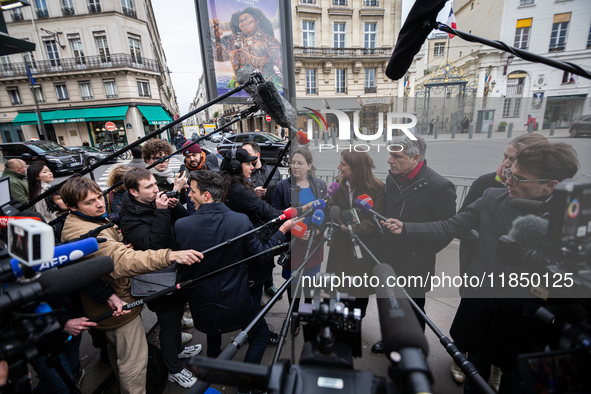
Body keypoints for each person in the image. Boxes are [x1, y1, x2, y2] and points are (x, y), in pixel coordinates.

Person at [382, 142, 579, 394]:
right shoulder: (492, 198)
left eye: (517, 178)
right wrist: (407, 227)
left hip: (525, 328)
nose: (507, 181)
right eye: (507, 173)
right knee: (474, 379)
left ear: (550, 185)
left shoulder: (574, 222)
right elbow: (450, 226)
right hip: (480, 315)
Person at [60, 177, 203, 394]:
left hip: (117, 302)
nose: (99, 203)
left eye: (99, 196)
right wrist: (170, 255)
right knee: (134, 366)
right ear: (71, 207)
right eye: (89, 202)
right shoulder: (80, 230)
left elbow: (110, 253)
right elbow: (121, 261)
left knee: (121, 356)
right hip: (118, 311)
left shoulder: (93, 219)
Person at [175, 170, 291, 394]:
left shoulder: (182, 226)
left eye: (193, 190)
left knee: (213, 331)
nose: (189, 194)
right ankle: (245, 387)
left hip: (202, 306)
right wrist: (282, 231)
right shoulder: (239, 221)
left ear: (207, 195)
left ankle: (213, 364)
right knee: (260, 335)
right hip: (236, 301)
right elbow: (261, 256)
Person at [452, 133, 548, 387]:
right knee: (474, 340)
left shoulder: (560, 211)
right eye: (505, 156)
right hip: (481, 276)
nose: (505, 164)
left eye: (512, 158)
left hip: (518, 302)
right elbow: (458, 223)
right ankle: (462, 357)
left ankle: (496, 367)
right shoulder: (487, 186)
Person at [371, 135, 456, 354]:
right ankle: (390, 339)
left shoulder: (439, 186)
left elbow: (446, 230)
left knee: (414, 309)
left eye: (396, 156)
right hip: (389, 259)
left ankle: (412, 350)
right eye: (390, 154)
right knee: (390, 305)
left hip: (417, 264)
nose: (389, 160)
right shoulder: (392, 178)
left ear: (415, 158)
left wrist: (418, 252)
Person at [118, 168, 201, 388]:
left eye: (155, 184)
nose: (156, 189)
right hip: (157, 281)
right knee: (169, 324)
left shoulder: (155, 203)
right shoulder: (128, 218)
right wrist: (162, 212)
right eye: (149, 187)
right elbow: (154, 247)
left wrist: (174, 208)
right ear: (134, 192)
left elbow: (186, 222)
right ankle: (173, 368)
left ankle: (178, 350)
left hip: (176, 271)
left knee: (176, 317)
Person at [220, 147, 286, 344]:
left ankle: (251, 330)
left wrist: (252, 195)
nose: (253, 166)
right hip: (250, 253)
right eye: (248, 163)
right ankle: (258, 333)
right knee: (254, 299)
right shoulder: (240, 190)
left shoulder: (230, 185)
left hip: (236, 252)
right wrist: (296, 213)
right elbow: (271, 213)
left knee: (250, 297)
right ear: (235, 166)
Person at [272, 149, 326, 334]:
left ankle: (308, 312)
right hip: (292, 244)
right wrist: (295, 230)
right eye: (293, 162)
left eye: (300, 163)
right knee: (294, 284)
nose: (295, 166)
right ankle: (293, 317)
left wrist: (317, 231)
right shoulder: (282, 186)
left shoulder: (319, 184)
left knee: (310, 282)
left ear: (309, 166)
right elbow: (277, 215)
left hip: (314, 242)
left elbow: (325, 214)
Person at [326, 151, 386, 317]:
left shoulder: (377, 188)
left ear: (357, 167)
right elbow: (332, 207)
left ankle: (355, 324)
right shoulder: (339, 184)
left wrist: (354, 228)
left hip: (363, 250)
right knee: (340, 290)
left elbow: (376, 220)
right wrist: (341, 222)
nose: (339, 167)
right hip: (340, 248)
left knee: (358, 293)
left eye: (343, 164)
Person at [242, 141, 282, 297]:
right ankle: (256, 286)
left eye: (246, 153)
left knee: (269, 254)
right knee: (255, 256)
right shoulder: (242, 173)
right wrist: (253, 193)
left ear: (257, 155)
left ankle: (269, 283)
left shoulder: (273, 171)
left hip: (270, 219)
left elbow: (277, 195)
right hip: (251, 220)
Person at [211, 7, 283, 89]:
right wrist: (214, 35)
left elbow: (282, 65)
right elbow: (215, 54)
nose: (244, 22)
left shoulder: (269, 41)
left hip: (266, 88)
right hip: (240, 90)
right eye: (241, 21)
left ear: (257, 20)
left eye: (246, 19)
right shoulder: (233, 41)